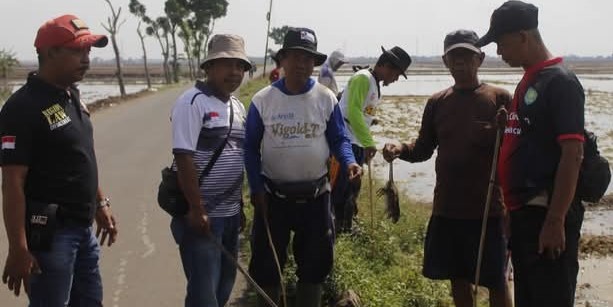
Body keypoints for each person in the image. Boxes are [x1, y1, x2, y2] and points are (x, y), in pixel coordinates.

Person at [382, 30, 513, 307]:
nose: (461, 63)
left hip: (488, 211)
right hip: (449, 209)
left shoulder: (500, 98)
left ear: (481, 58)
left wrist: (507, 132)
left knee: (497, 281)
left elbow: (516, 151)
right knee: (458, 279)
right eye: (455, 57)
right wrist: (400, 149)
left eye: (467, 56)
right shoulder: (437, 103)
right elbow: (422, 148)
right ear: (445, 61)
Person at [0, 14, 118, 306]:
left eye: (89, 51)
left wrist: (100, 203)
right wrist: (18, 248)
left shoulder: (72, 96)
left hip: (83, 231)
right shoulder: (22, 107)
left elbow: (80, 158)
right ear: (50, 52)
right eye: (78, 50)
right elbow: (12, 183)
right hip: (50, 237)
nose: (86, 59)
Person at [476, 1, 586, 306]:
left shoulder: (560, 82)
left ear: (523, 36)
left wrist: (555, 220)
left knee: (549, 297)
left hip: (546, 216)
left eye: (500, 42)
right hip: (525, 215)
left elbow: (573, 154)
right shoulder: (529, 80)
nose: (498, 52)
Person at [244, 27, 361, 307]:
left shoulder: (325, 98)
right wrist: (256, 188)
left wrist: (349, 161)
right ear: (283, 60)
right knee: (267, 264)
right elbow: (249, 148)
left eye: (308, 59)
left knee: (315, 265)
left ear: (314, 63)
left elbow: (339, 139)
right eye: (295, 57)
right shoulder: (263, 101)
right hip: (273, 198)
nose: (302, 64)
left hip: (316, 197)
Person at [169, 34, 250, 307]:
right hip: (202, 217)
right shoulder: (192, 102)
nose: (235, 72)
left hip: (229, 216)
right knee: (204, 296)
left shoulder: (237, 107)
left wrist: (239, 205)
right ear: (209, 67)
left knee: (223, 288)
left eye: (240, 66)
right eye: (228, 64)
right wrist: (196, 207)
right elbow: (183, 157)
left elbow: (237, 156)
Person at [332, 45, 411, 232]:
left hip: (356, 142)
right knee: (341, 190)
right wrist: (369, 142)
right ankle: (335, 231)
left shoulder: (373, 82)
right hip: (346, 142)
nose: (396, 78)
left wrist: (367, 133)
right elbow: (353, 111)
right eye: (397, 74)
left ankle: (346, 227)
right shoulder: (363, 78)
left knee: (352, 190)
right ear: (387, 66)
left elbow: (363, 113)